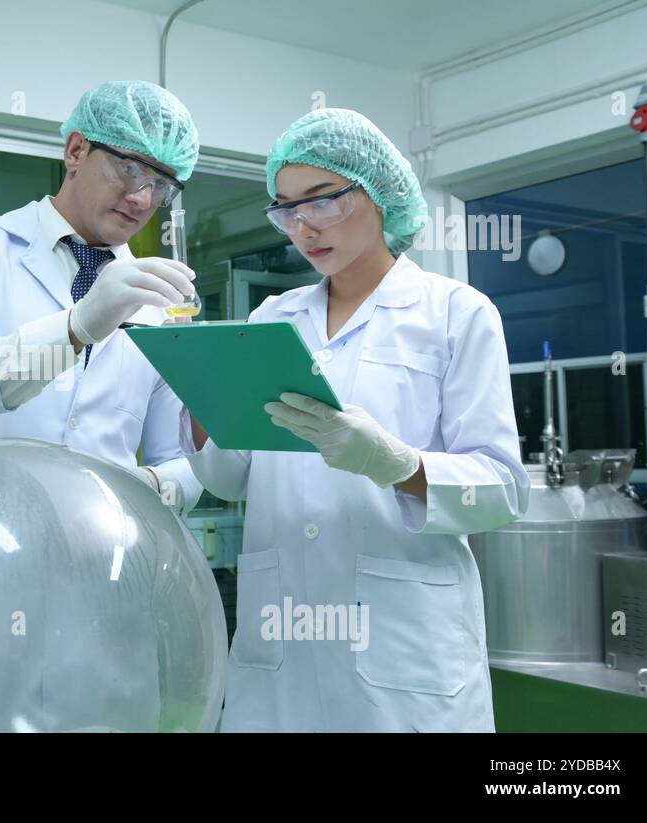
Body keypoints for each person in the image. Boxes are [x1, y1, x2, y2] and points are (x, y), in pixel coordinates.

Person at [184, 108, 529, 731]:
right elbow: (230, 477)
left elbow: (501, 489)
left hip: (404, 654)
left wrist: (395, 463)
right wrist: (199, 390)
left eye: (322, 200)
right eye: (287, 209)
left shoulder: (456, 313)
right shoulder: (271, 319)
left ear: (378, 193)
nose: (303, 227)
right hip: (280, 648)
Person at [0, 81, 204, 513]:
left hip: (101, 544)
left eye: (161, 185)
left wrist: (153, 485)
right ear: (76, 151)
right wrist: (73, 330)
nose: (142, 198)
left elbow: (179, 457)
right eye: (130, 169)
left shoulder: (157, 304)